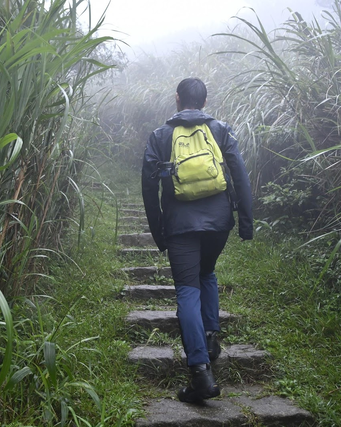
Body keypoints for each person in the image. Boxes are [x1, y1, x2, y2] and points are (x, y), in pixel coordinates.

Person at [141, 77, 254, 403]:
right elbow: (240, 175)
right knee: (206, 273)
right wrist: (245, 222)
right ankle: (210, 335)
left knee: (187, 290)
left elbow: (149, 188)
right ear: (204, 101)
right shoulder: (220, 129)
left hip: (180, 226)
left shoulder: (160, 136)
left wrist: (157, 230)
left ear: (177, 99)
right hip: (219, 223)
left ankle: (200, 372)